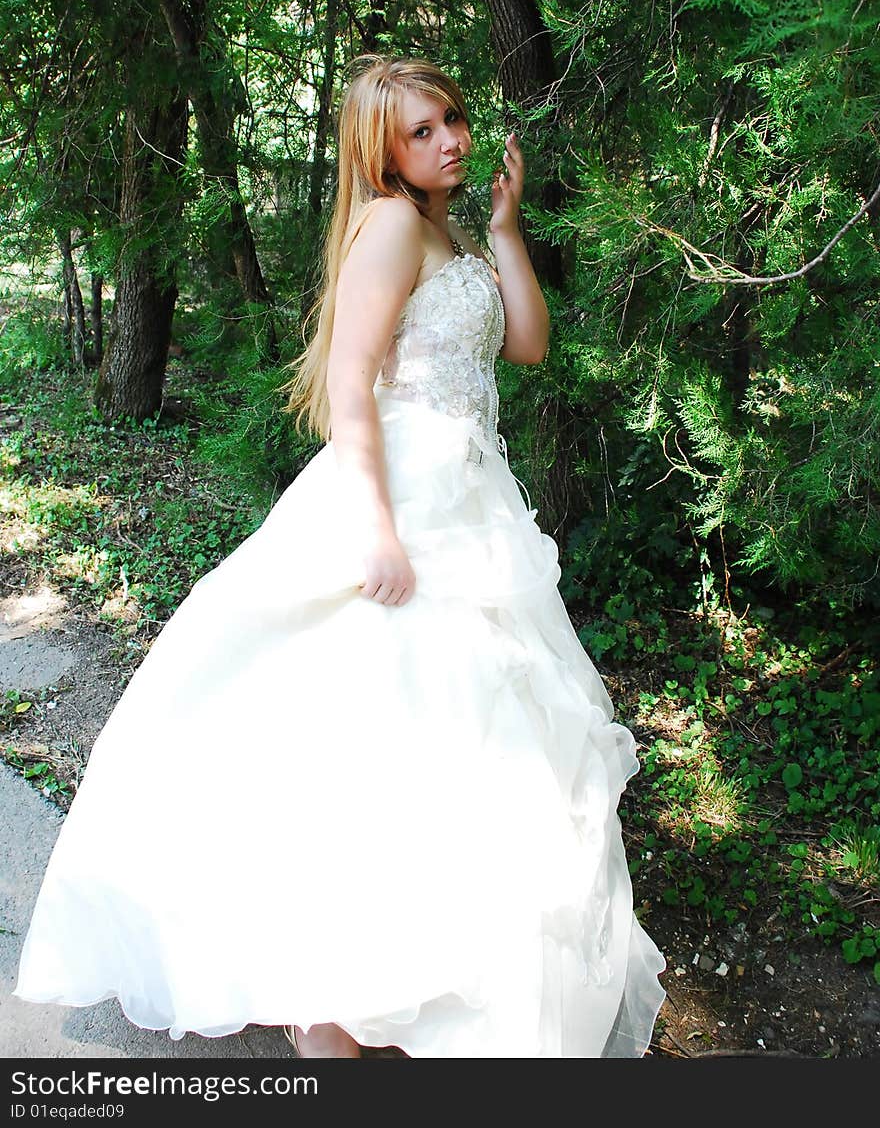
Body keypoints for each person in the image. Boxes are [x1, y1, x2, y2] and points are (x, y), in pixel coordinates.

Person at [13, 54, 666, 1058]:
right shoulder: (393, 225)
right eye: (422, 130)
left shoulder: (444, 229)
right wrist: (377, 528)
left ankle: (396, 986)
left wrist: (502, 228)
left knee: (446, 742)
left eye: (449, 118)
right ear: (381, 150)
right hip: (398, 492)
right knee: (363, 738)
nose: (450, 137)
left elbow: (526, 344)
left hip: (469, 494)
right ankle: (331, 1012)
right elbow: (352, 382)